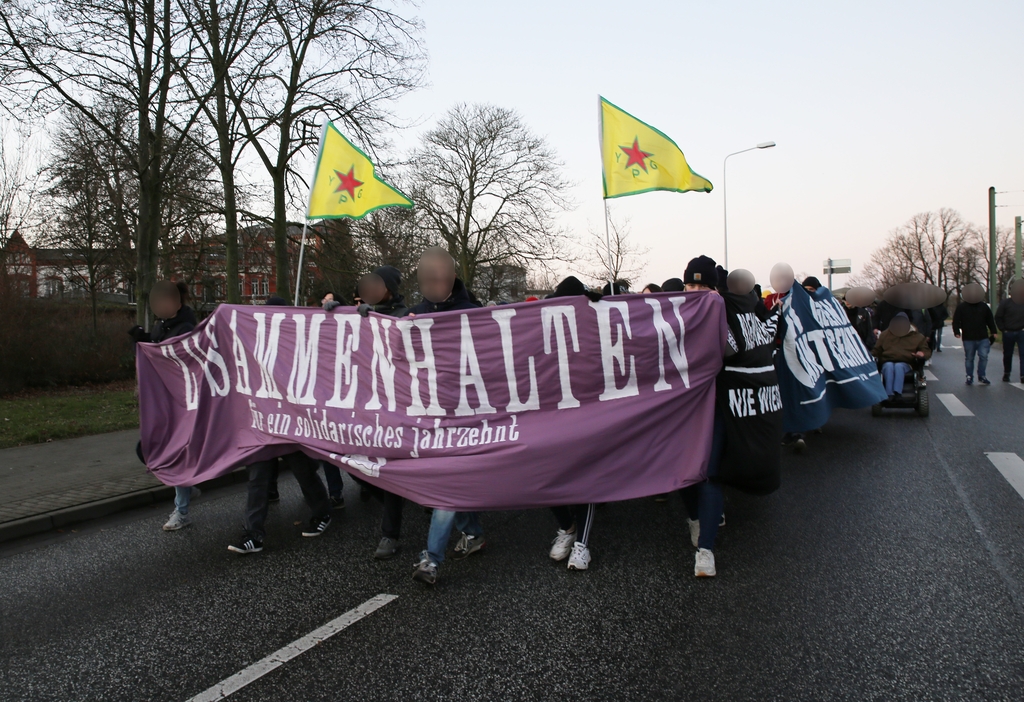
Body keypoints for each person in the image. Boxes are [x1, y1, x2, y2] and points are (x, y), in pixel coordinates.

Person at [227, 296, 334, 554]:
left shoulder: (296, 344)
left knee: (303, 471)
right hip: (264, 425)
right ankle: (253, 534)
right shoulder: (255, 344)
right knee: (258, 477)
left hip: (290, 424)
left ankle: (322, 512)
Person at [409, 248, 485, 585]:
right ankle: (473, 533)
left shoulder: (475, 314)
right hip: (431, 417)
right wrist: (346, 312)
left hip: (467, 416)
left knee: (446, 487)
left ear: (453, 277)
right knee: (453, 485)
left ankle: (431, 559)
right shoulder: (413, 314)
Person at [334, 265, 410, 559]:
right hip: (367, 404)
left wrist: (376, 320)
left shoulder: (404, 314)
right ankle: (403, 496)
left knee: (388, 470)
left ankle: (390, 534)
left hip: (396, 406)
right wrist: (334, 314)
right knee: (357, 467)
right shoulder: (361, 314)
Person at [128, 280, 201, 532]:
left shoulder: (186, 327)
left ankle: (182, 509)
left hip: (183, 401)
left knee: (175, 452)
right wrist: (142, 340)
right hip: (164, 401)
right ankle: (187, 486)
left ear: (177, 303)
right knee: (150, 449)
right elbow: (158, 351)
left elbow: (176, 358)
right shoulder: (163, 325)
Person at [545, 276, 603, 570]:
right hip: (554, 413)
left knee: (584, 479)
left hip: (587, 413)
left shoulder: (595, 326)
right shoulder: (546, 326)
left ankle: (583, 544)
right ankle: (567, 527)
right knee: (544, 474)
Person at [677, 255, 727, 577]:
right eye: (690, 286)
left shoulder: (727, 314)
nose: (695, 292)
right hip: (683, 411)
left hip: (715, 408)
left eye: (702, 287)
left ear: (715, 290)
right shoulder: (672, 317)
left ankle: (705, 550)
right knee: (683, 471)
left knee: (710, 473)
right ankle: (695, 519)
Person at [872, 312, 931, 397]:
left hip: (906, 362)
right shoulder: (885, 335)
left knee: (899, 366)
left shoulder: (917, 337)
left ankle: (897, 392)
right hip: (887, 360)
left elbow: (926, 351)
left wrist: (922, 354)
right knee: (889, 366)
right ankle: (889, 394)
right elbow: (876, 350)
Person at [952, 294, 997, 385]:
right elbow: (956, 320)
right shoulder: (962, 307)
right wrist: (956, 332)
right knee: (969, 358)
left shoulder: (983, 306)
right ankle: (969, 376)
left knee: (984, 356)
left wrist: (993, 331)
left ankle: (982, 376)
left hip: (982, 337)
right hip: (968, 337)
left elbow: (990, 319)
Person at [994, 282, 1024, 382]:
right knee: (1007, 354)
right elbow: (998, 317)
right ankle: (1007, 373)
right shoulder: (1005, 303)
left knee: (1023, 354)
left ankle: (1023, 375)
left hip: (1021, 332)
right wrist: (1003, 329)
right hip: (1008, 332)